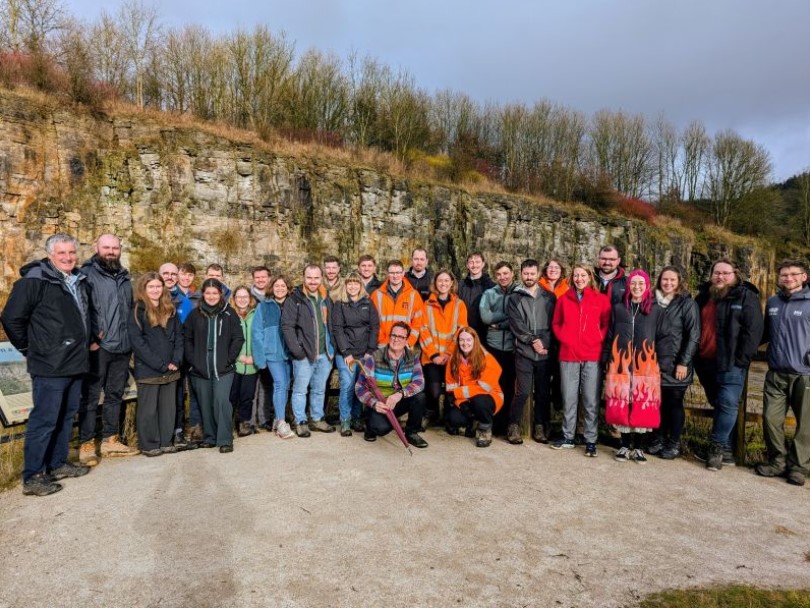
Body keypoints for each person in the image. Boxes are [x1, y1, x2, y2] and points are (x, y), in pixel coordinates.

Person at [1, 234, 92, 496]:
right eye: (61, 253)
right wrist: (28, 349)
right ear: (50, 255)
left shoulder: (78, 279)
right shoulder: (34, 281)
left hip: (75, 361)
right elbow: (11, 318)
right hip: (49, 365)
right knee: (45, 419)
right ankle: (33, 476)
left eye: (71, 252)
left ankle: (58, 463)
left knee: (66, 416)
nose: (67, 257)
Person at [693, 259, 763, 471]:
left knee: (727, 403)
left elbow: (754, 331)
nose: (720, 276)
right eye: (716, 273)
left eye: (725, 273)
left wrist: (741, 360)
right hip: (705, 362)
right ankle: (728, 451)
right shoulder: (703, 296)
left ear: (735, 275)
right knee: (719, 404)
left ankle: (715, 449)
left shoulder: (746, 297)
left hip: (731, 363)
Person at [78, 233, 139, 464]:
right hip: (99, 347)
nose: (111, 252)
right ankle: (86, 443)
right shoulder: (86, 274)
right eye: (107, 247)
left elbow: (129, 308)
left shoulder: (124, 276)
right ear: (97, 247)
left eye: (115, 248)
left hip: (122, 346)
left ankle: (110, 440)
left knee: (114, 394)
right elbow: (81, 309)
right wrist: (91, 337)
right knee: (91, 395)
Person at [603, 269, 668, 463]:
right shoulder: (619, 308)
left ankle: (638, 447)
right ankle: (624, 445)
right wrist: (607, 358)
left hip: (646, 365)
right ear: (628, 285)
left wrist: (663, 362)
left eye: (641, 283)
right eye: (633, 283)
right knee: (622, 402)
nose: (637, 287)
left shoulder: (656, 310)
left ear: (647, 286)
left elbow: (663, 338)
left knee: (642, 403)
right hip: (621, 364)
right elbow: (610, 334)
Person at [756, 260, 810, 486]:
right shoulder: (773, 302)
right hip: (776, 372)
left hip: (804, 373)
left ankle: (798, 467)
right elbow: (764, 334)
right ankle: (777, 462)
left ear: (804, 277)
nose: (788, 278)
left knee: (805, 424)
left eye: (793, 274)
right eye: (784, 275)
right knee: (770, 419)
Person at [550, 264, 610, 457]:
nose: (579, 279)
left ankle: (590, 440)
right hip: (568, 355)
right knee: (569, 397)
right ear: (571, 278)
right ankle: (568, 436)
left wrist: (597, 338)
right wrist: (565, 338)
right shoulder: (563, 299)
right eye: (576, 275)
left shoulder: (601, 300)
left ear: (589, 277)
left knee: (590, 399)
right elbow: (556, 323)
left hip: (592, 355)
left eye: (583, 275)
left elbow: (606, 324)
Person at [184, 278, 244, 453]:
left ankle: (225, 439)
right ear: (203, 294)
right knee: (205, 402)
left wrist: (230, 359)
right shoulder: (194, 315)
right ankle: (210, 437)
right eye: (208, 293)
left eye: (215, 293)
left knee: (221, 401)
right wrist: (193, 361)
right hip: (200, 366)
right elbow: (186, 338)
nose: (211, 296)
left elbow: (238, 338)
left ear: (220, 294)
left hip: (223, 367)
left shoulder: (229, 313)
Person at [128, 272, 183, 457]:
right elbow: (138, 342)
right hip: (149, 369)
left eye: (158, 286)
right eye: (151, 286)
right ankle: (149, 444)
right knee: (149, 409)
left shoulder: (170, 308)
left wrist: (176, 360)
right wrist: (160, 364)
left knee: (168, 408)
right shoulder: (138, 310)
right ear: (144, 288)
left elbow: (179, 337)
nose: (155, 290)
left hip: (171, 368)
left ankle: (166, 441)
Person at [649, 266, 700, 460]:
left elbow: (693, 335)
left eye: (672, 280)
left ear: (679, 282)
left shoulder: (687, 304)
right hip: (654, 363)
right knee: (657, 403)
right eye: (665, 279)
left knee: (675, 403)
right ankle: (658, 438)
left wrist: (683, 362)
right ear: (659, 280)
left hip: (677, 364)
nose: (668, 283)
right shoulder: (652, 301)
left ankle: (673, 442)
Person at [281, 264, 337, 437]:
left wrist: (332, 348)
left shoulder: (326, 298)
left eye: (316, 278)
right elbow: (287, 326)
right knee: (300, 389)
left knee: (319, 389)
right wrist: (297, 351)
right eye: (309, 277)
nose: (313, 281)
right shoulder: (295, 299)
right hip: (304, 355)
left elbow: (332, 324)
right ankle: (300, 421)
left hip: (325, 354)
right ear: (303, 278)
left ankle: (317, 418)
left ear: (321, 278)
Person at [355, 322, 428, 448]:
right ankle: (370, 426)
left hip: (398, 400)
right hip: (380, 403)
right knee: (381, 428)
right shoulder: (375, 358)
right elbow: (359, 387)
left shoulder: (412, 358)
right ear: (389, 337)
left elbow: (419, 382)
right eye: (394, 335)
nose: (396, 339)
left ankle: (411, 432)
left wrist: (401, 394)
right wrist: (374, 403)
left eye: (401, 337)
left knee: (420, 397)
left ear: (406, 340)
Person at [507, 259, 556, 445]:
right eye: (526, 274)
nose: (529, 277)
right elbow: (516, 324)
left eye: (532, 274)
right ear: (521, 274)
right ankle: (513, 425)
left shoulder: (549, 297)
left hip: (545, 353)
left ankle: (540, 426)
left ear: (538, 274)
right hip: (524, 352)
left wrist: (544, 343)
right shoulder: (515, 298)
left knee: (543, 392)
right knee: (523, 391)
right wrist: (533, 340)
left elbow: (554, 324)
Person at [331, 272, 380, 436]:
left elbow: (374, 327)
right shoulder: (340, 304)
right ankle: (345, 419)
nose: (353, 286)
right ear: (345, 286)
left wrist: (370, 350)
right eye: (350, 283)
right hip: (346, 354)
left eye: (356, 283)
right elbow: (337, 329)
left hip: (364, 353)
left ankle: (356, 417)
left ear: (360, 286)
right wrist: (346, 352)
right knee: (347, 385)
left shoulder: (368, 303)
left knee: (361, 386)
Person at [420, 269, 468, 427]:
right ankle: (430, 413)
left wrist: (448, 353)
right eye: (440, 280)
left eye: (447, 280)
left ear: (452, 283)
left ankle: (449, 418)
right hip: (431, 356)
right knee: (433, 390)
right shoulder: (427, 305)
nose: (443, 284)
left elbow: (461, 331)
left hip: (452, 356)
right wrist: (434, 355)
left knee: (451, 390)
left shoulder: (459, 305)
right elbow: (423, 330)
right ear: (435, 283)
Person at [445, 327, 504, 448]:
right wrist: (461, 403)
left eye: (468, 340)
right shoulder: (453, 360)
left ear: (475, 341)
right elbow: (451, 390)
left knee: (479, 401)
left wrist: (458, 393)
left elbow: (483, 388)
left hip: (489, 397)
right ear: (458, 342)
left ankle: (485, 430)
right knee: (453, 419)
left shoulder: (486, 359)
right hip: (467, 399)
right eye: (462, 340)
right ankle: (472, 423)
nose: (465, 343)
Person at [252, 274, 295, 439]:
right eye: (277, 286)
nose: (280, 289)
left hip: (290, 353)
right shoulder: (264, 306)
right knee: (280, 384)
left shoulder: (292, 304)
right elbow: (256, 333)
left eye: (283, 286)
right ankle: (282, 423)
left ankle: (278, 419)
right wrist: (260, 358)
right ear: (272, 288)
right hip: (272, 353)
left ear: (288, 288)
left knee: (285, 385)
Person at [479, 261, 516, 436]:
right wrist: (507, 316)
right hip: (493, 346)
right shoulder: (489, 293)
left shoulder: (518, 292)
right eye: (499, 274)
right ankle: (491, 423)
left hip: (512, 347)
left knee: (509, 387)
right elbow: (485, 317)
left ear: (512, 273)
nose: (503, 277)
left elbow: (517, 319)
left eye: (506, 273)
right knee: (493, 385)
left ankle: (506, 424)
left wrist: (500, 324)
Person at [172, 262, 201, 448]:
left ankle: (196, 428)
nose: (186, 278)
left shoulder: (198, 297)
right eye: (183, 274)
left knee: (196, 390)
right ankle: (178, 429)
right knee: (177, 392)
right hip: (176, 349)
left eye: (190, 275)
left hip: (194, 349)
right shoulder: (170, 295)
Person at [371, 260, 424, 349]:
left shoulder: (414, 295)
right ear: (387, 274)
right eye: (392, 273)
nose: (395, 276)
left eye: (398, 272)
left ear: (403, 273)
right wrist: (381, 341)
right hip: (382, 346)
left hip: (404, 347)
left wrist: (408, 342)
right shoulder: (376, 295)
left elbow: (418, 323)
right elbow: (372, 322)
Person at [539, 257, 569, 413]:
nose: (553, 270)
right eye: (550, 267)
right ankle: (542, 412)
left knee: (559, 371)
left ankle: (558, 404)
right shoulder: (539, 286)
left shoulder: (567, 288)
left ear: (561, 271)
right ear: (545, 269)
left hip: (560, 334)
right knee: (544, 372)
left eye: (557, 268)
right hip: (542, 332)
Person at [229, 286, 259, 437]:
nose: (242, 300)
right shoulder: (229, 315)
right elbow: (225, 340)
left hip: (252, 363)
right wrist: (238, 356)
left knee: (247, 396)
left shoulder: (256, 314)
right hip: (234, 364)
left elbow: (260, 338)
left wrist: (255, 357)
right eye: (239, 297)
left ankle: (243, 423)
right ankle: (228, 424)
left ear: (250, 298)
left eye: (245, 296)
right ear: (234, 299)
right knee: (231, 396)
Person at [458, 252, 495, 342]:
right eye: (471, 262)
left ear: (483, 264)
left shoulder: (492, 287)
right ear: (467, 265)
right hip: (465, 334)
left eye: (477, 262)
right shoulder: (460, 286)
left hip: (485, 335)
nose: (474, 265)